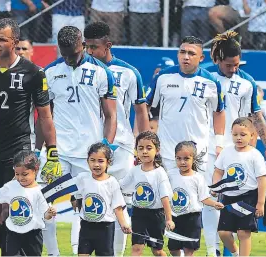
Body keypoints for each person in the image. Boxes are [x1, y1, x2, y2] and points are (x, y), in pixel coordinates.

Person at [0, 18, 58, 255]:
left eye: (1, 39)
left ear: (14, 42)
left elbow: (44, 117)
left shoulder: (34, 73)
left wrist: (52, 151)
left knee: (16, 211)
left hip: (19, 151)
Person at [43, 25, 117, 255]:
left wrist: (105, 148)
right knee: (43, 202)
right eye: (63, 54)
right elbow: (45, 116)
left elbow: (111, 114)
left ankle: (78, 252)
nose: (68, 59)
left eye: (72, 54)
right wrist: (43, 150)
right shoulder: (50, 72)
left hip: (88, 154)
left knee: (85, 206)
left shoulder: (102, 72)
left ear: (82, 45)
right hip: (60, 152)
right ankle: (53, 253)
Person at [206, 30, 266, 257]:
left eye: (237, 64)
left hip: (237, 148)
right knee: (211, 201)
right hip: (210, 148)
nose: (234, 69)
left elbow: (256, 118)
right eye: (229, 65)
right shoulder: (206, 79)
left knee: (237, 204)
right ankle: (213, 250)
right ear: (217, 59)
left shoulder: (246, 83)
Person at [83, 21, 150, 256]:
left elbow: (141, 111)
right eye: (86, 47)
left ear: (108, 45)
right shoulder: (83, 71)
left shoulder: (129, 73)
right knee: (87, 200)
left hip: (120, 147)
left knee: (119, 203)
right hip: (90, 145)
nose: (89, 52)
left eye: (94, 47)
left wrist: (144, 147)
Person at [147, 36, 226, 172]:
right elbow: (145, 107)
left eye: (191, 53)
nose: (186, 57)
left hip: (198, 151)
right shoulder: (162, 77)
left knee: (196, 192)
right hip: (167, 152)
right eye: (182, 52)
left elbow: (219, 111)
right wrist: (143, 137)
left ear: (201, 58)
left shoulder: (211, 82)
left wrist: (219, 144)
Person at [0, 150, 57, 256]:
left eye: (24, 174)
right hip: (13, 234)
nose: (20, 178)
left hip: (33, 237)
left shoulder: (40, 192)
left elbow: (45, 215)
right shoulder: (12, 186)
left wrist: (49, 214)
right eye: (17, 174)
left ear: (35, 170)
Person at [213, 117, 266, 257]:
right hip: (228, 197)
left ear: (252, 135)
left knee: (243, 232)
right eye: (235, 134)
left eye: (243, 135)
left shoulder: (255, 155)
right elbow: (218, 171)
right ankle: (236, 253)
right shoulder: (226, 152)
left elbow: (262, 180)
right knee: (223, 233)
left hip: (248, 197)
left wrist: (260, 203)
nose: (238, 138)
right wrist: (215, 187)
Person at [119, 131, 174, 257]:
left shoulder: (160, 173)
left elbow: (164, 198)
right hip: (139, 214)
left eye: (149, 148)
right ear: (136, 151)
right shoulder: (134, 171)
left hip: (156, 216)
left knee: (157, 251)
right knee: (136, 249)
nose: (144, 151)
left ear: (157, 150)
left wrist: (169, 219)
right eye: (141, 148)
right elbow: (121, 185)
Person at [72, 142, 132, 256]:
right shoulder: (82, 179)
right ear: (87, 161)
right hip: (86, 226)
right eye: (92, 160)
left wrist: (123, 223)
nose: (96, 164)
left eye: (100, 161)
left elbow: (117, 207)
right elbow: (74, 195)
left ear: (108, 163)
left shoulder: (112, 182)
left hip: (105, 228)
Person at [168, 141, 224, 256]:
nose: (182, 162)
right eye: (178, 158)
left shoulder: (198, 178)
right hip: (175, 218)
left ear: (193, 159)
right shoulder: (170, 174)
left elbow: (204, 198)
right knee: (173, 249)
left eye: (186, 159)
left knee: (189, 249)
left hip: (192, 219)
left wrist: (214, 204)